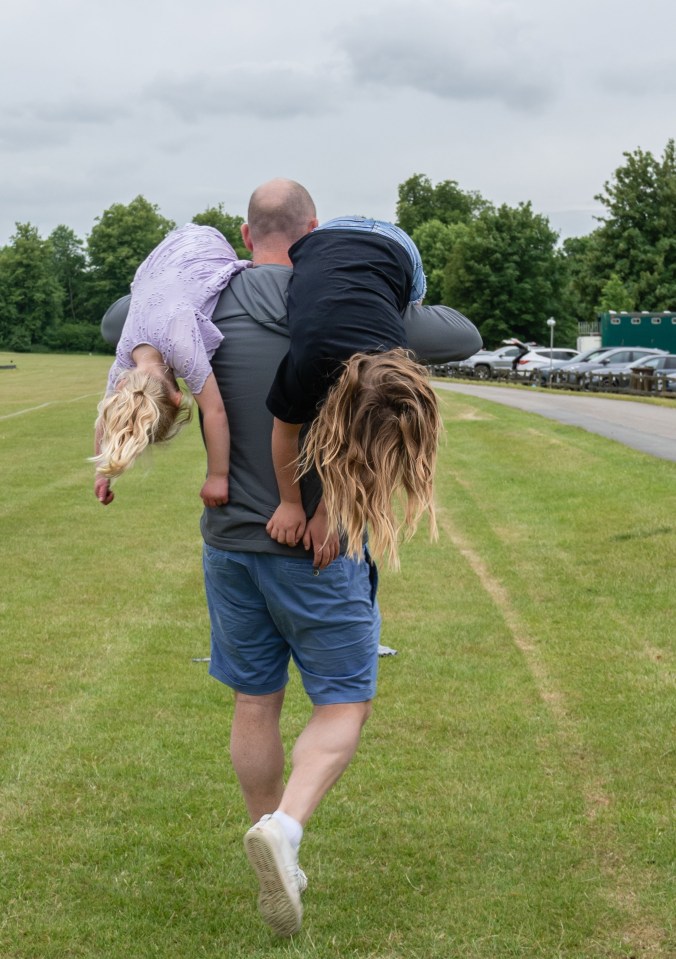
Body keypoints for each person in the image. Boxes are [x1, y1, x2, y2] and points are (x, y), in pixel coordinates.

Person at [101, 179, 482, 937]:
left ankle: (269, 839)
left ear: (246, 236)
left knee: (255, 700)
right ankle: (286, 831)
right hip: (317, 543)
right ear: (312, 231)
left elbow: (121, 315)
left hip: (230, 543)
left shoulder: (201, 303)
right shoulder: (346, 305)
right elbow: (461, 334)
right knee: (343, 699)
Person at [265, 217, 441, 568]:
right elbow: (284, 432)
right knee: (412, 302)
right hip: (343, 240)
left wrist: (328, 514)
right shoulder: (309, 363)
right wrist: (291, 504)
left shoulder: (398, 364)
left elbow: (353, 449)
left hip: (369, 241)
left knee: (406, 300)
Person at [92, 222, 251, 507]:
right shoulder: (122, 362)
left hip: (206, 247)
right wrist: (102, 473)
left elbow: (215, 412)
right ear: (121, 386)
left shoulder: (181, 346)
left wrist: (218, 476)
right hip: (166, 253)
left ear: (178, 399)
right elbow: (105, 421)